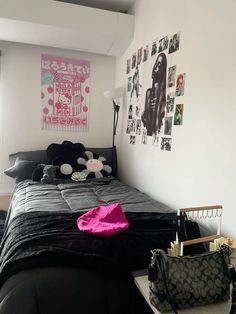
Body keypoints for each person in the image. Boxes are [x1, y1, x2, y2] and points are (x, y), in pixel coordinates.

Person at [141, 52, 167, 136]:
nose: (155, 67)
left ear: (162, 70)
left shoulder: (162, 97)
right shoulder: (150, 93)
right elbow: (144, 118)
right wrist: (147, 108)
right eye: (156, 63)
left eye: (159, 65)